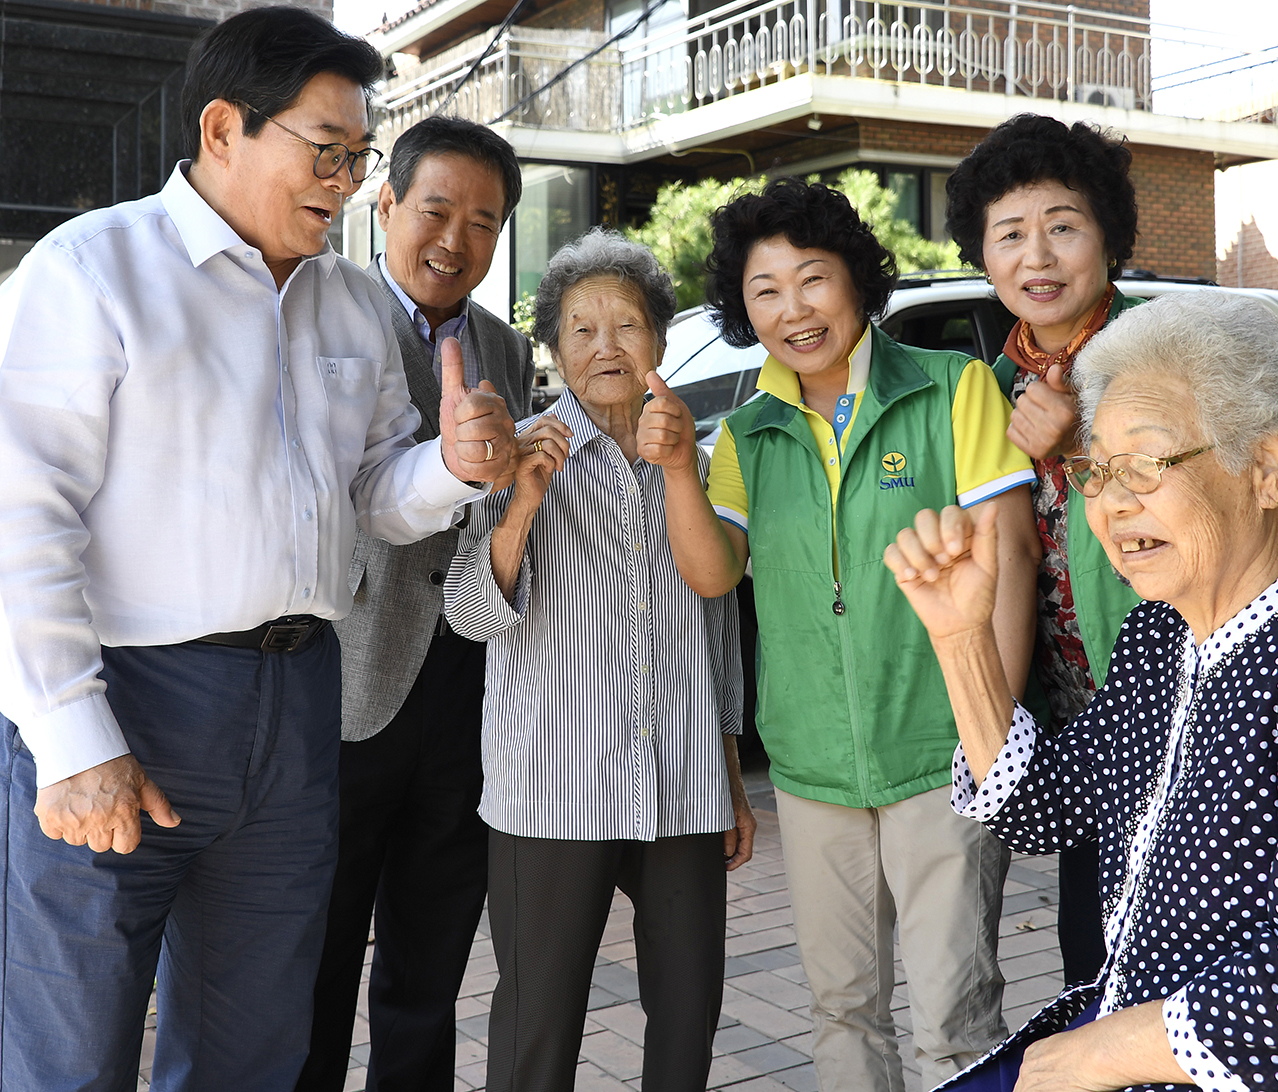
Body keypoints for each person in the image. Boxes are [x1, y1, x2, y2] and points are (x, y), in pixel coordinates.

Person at [0, 10, 517, 1091]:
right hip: (131, 697)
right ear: (225, 127)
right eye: (327, 151)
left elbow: (376, 494)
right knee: (73, 1043)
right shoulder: (93, 271)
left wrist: (456, 470)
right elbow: (22, 515)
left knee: (256, 1044)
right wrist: (69, 734)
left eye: (359, 156)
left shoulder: (348, 305)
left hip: (298, 710)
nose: (344, 180)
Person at [885, 290, 1278, 1092]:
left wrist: (1095, 1054)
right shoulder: (1162, 632)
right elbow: (1048, 808)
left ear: (1267, 469)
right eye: (1096, 468)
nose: (1110, 502)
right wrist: (961, 639)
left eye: (1146, 463)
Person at [638, 178, 1040, 1090]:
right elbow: (713, 573)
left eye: (811, 279)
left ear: (857, 280)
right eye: (764, 290)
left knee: (955, 1019)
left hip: (942, 754)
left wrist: (995, 735)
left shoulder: (954, 388)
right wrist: (673, 468)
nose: (793, 310)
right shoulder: (746, 432)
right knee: (841, 1012)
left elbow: (1011, 558)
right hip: (814, 767)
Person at [443, 228, 756, 1092]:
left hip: (681, 781)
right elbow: (469, 615)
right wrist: (522, 507)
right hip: (551, 789)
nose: (606, 346)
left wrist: (728, 764)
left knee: (689, 1017)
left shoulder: (699, 452)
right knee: (537, 1030)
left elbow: (718, 614)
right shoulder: (517, 455)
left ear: (661, 337)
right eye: (582, 329)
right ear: (554, 349)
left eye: (627, 325)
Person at [297, 116, 532, 1092]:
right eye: (436, 209)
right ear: (385, 204)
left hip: (467, 694)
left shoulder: (506, 352)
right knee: (315, 965)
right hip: (346, 692)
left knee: (427, 969)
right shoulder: (319, 313)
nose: (456, 239)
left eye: (484, 222)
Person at [945, 112, 1144, 986]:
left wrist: (1078, 450)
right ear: (984, 258)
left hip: (1168, 705)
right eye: (1011, 235)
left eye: (1063, 227)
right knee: (1086, 956)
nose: (1038, 257)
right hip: (1068, 723)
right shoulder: (987, 391)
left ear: (1107, 237)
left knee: (1166, 947)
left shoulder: (1161, 361)